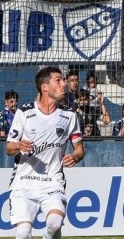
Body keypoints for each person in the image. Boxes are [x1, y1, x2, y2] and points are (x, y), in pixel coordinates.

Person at [5, 66, 84, 239]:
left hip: (52, 181)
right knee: (23, 233)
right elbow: (8, 148)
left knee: (54, 223)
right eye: (59, 80)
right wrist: (19, 145)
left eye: (63, 80)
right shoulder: (24, 112)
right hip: (24, 182)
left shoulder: (69, 115)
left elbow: (79, 149)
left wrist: (75, 156)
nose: (64, 84)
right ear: (45, 87)